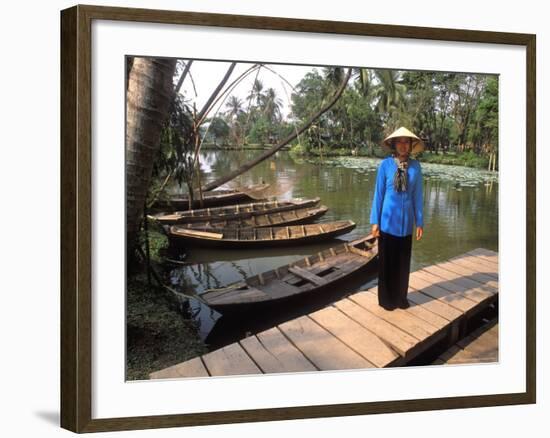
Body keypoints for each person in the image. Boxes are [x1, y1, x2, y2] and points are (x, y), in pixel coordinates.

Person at [369, 127, 425, 311]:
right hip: (387, 222)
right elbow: (378, 194)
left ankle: (401, 297)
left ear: (410, 145)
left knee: (402, 264)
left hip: (406, 224)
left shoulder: (416, 167)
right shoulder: (385, 165)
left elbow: (417, 196)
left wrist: (420, 221)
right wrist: (375, 221)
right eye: (399, 141)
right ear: (394, 144)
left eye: (406, 141)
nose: (403, 145)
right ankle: (386, 299)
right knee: (386, 264)